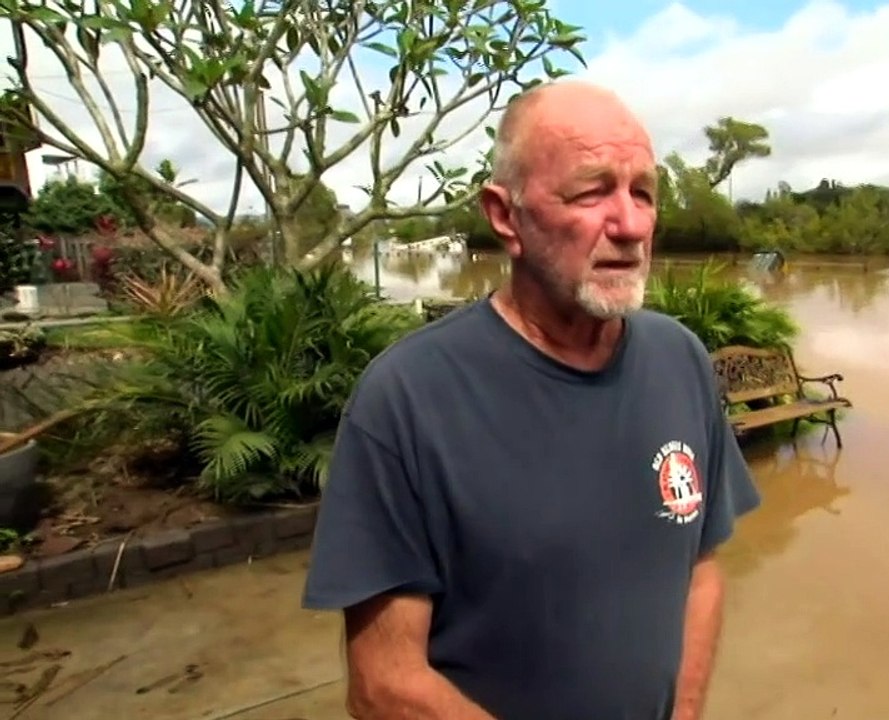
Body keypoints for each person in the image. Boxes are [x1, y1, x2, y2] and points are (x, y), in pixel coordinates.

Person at [302, 80, 761, 720]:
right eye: (592, 190)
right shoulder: (406, 399)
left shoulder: (680, 360)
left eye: (644, 193)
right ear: (504, 215)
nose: (629, 224)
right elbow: (384, 685)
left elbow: (701, 570)